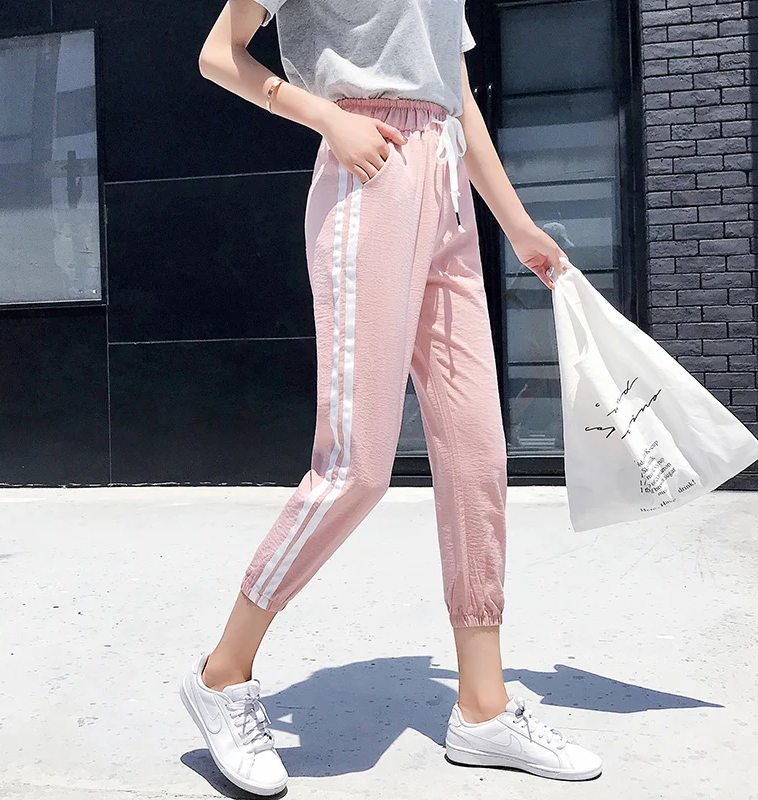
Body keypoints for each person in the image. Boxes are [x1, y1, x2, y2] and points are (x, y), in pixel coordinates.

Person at [179, 0, 602, 794]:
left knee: (477, 459)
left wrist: (516, 223)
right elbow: (219, 52)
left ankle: (482, 707)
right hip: (367, 172)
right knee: (357, 469)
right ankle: (222, 675)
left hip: (446, 186)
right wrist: (325, 119)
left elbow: (455, 92)